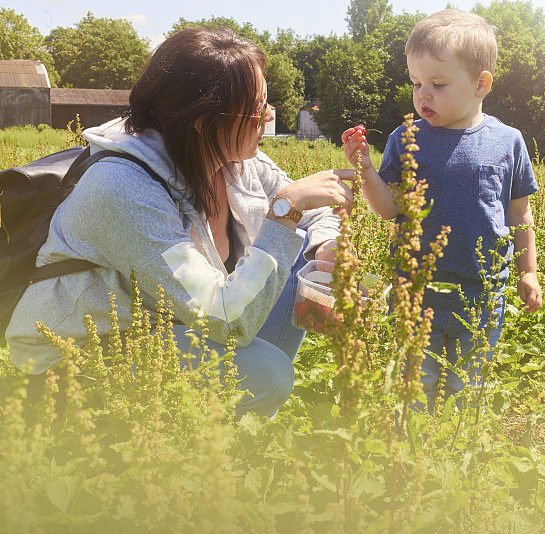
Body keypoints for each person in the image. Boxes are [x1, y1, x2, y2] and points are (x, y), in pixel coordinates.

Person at [6, 28, 355, 417]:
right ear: (205, 120)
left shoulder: (234, 160)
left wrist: (325, 245)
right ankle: (194, 445)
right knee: (267, 373)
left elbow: (314, 212)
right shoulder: (122, 186)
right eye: (257, 107)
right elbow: (223, 318)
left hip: (169, 319)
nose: (270, 115)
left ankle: (240, 424)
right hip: (82, 349)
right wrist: (285, 209)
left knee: (292, 263)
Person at [341, 10, 543, 409]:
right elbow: (388, 208)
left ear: (481, 84)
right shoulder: (407, 138)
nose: (423, 95)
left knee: (464, 386)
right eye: (416, 83)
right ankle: (414, 459)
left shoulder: (508, 141)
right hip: (416, 289)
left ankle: (450, 457)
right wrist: (364, 170)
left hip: (482, 291)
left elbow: (519, 214)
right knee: (415, 385)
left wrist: (529, 271)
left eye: (438, 83)